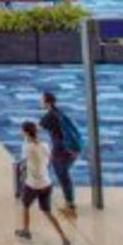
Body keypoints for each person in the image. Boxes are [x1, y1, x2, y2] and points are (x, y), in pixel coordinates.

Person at [15, 121, 74, 245]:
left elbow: (24, 158)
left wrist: (26, 140)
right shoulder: (45, 145)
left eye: (21, 130)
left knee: (25, 205)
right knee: (47, 212)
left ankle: (26, 231)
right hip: (47, 183)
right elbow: (47, 160)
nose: (20, 132)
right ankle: (65, 240)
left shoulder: (27, 147)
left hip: (32, 184)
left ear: (26, 132)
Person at [40, 91, 83, 219]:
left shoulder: (49, 116)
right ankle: (69, 204)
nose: (40, 102)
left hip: (61, 151)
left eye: (41, 100)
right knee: (64, 176)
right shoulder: (59, 112)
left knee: (64, 177)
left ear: (47, 102)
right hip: (71, 149)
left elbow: (37, 128)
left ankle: (70, 207)